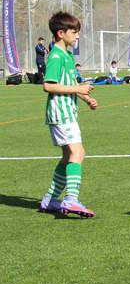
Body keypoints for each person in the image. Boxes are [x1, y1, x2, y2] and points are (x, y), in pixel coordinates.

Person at [38, 11, 99, 218]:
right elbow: (48, 85)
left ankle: (51, 199)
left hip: (66, 111)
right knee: (78, 153)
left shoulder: (67, 55)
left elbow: (70, 83)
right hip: (60, 113)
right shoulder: (56, 55)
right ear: (61, 33)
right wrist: (78, 90)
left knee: (67, 157)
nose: (78, 36)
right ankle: (71, 199)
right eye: (74, 32)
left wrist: (84, 96)